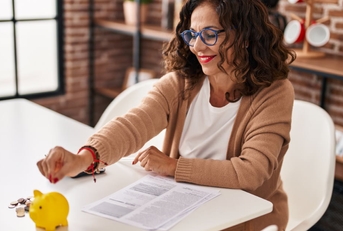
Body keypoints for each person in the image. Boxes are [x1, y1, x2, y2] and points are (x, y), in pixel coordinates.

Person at [37, 0, 296, 230]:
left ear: (245, 36)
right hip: (182, 206)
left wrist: (173, 167)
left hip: (244, 219)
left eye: (209, 34)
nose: (196, 46)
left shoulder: (274, 92)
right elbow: (133, 124)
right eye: (192, 34)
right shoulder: (182, 82)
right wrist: (84, 158)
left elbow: (251, 172)